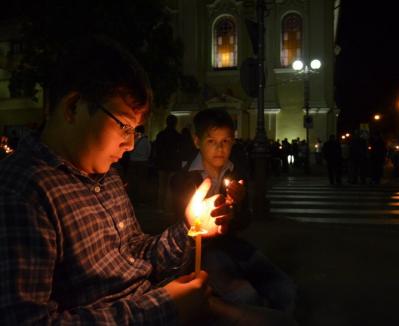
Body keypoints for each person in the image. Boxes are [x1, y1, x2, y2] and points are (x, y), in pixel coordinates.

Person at [0, 35, 258, 325]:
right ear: (73, 107)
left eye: (135, 131)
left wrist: (191, 226)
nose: (131, 145)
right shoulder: (23, 192)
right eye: (124, 126)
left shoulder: (107, 177)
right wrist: (164, 307)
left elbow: (137, 255)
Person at [170, 108, 297, 321]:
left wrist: (237, 206)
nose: (219, 148)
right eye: (211, 141)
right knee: (244, 296)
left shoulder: (234, 174)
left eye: (226, 141)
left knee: (285, 289)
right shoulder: (185, 180)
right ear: (197, 141)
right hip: (204, 254)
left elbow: (244, 221)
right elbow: (179, 231)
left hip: (234, 246)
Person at [154, 114, 182, 211]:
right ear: (175, 123)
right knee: (170, 187)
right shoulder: (178, 136)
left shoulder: (161, 135)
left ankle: (160, 207)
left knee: (161, 186)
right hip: (173, 164)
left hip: (162, 163)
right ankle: (167, 207)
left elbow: (157, 149)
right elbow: (180, 152)